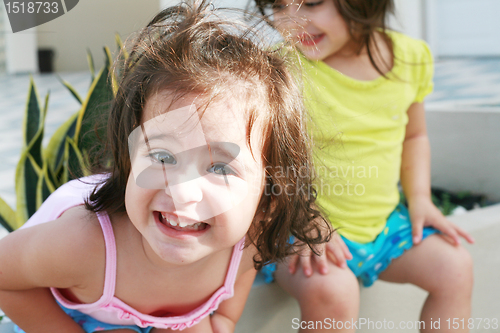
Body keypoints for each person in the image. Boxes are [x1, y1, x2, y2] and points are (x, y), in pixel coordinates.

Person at [0, 1, 331, 332]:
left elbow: (236, 282)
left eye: (219, 168)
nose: (182, 191)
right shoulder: (82, 244)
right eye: (162, 157)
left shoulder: (252, 235)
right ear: (129, 158)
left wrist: (223, 320)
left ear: (268, 193)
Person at [254, 1, 475, 332]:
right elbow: (266, 158)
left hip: (383, 228)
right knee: (334, 293)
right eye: (279, 5)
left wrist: (420, 199)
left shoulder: (408, 58)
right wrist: (302, 217)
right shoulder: (281, 67)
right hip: (300, 230)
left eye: (311, 2)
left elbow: (414, 137)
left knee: (456, 267)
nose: (293, 21)